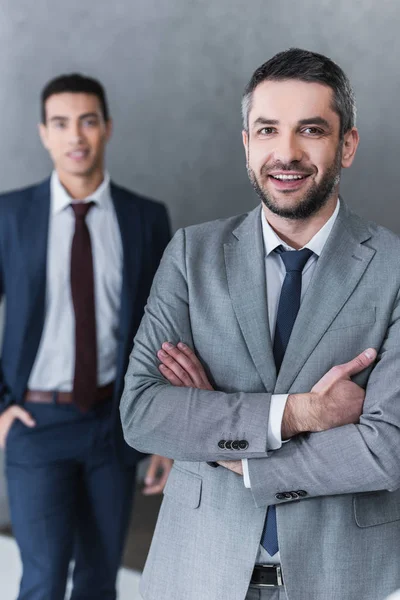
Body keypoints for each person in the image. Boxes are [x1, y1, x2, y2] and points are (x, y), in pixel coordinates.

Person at [120, 48, 400, 600]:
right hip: (197, 573)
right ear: (247, 144)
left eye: (311, 130)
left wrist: (222, 439)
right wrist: (302, 413)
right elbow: (143, 412)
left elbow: (388, 447)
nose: (286, 153)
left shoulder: (394, 269)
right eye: (268, 129)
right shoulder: (190, 255)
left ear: (347, 144)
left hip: (346, 581)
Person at [0, 73, 172, 600]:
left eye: (88, 121)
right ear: (44, 133)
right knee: (44, 579)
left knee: (99, 580)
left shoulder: (145, 218)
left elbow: (164, 329)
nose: (76, 136)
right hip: (36, 422)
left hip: (113, 424)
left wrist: (164, 430)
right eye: (61, 123)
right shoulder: (9, 215)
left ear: (107, 129)